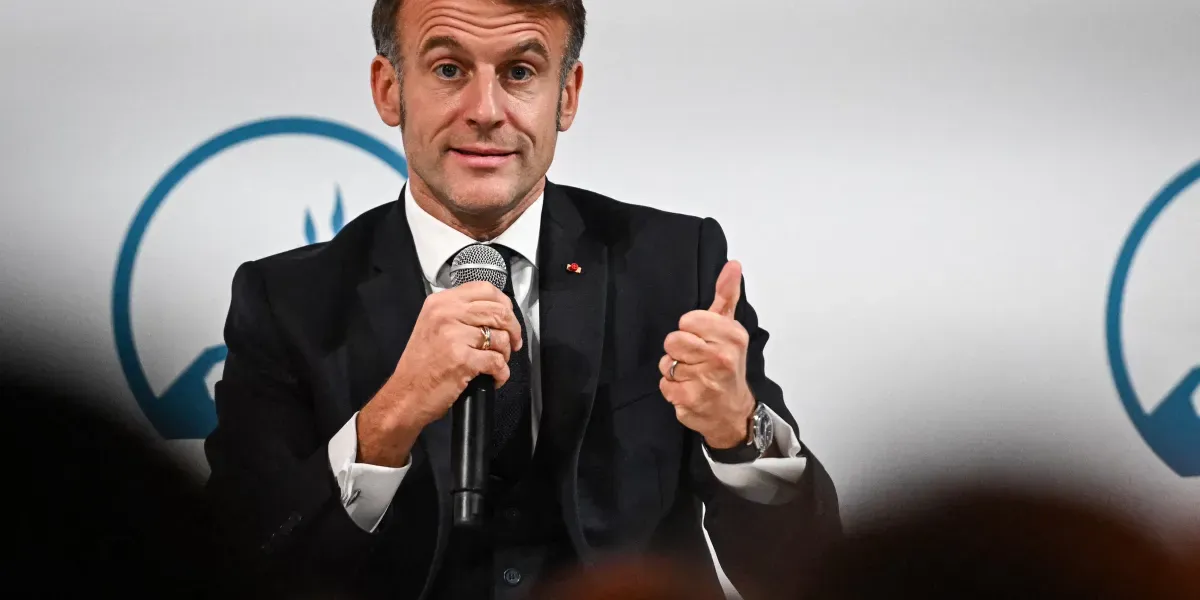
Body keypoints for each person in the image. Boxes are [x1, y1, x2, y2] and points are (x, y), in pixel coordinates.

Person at [203, 1, 840, 599]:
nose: (485, 111)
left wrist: (738, 432)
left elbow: (805, 571)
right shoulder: (287, 302)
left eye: (520, 72)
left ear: (567, 94)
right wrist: (389, 420)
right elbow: (244, 565)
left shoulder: (678, 264)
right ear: (389, 89)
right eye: (448, 69)